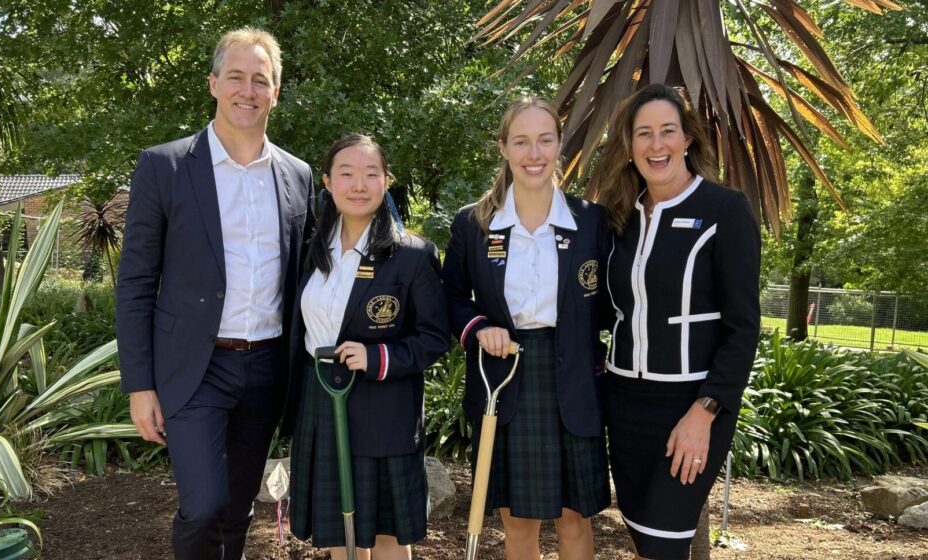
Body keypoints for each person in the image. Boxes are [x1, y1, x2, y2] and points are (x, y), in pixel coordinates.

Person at [116, 28, 314, 559]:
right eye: (235, 77)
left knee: (239, 506)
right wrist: (139, 386)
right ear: (213, 84)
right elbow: (135, 282)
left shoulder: (298, 175)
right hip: (193, 368)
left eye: (260, 80)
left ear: (276, 91)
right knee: (203, 504)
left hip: (267, 368)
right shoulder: (165, 167)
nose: (247, 90)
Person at [595, 83, 761, 560]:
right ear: (630, 146)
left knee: (666, 541)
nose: (656, 144)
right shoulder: (618, 218)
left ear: (688, 138)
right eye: (643, 133)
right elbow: (603, 308)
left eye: (667, 131)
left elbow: (743, 328)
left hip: (690, 405)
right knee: (644, 539)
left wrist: (704, 412)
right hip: (624, 402)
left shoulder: (725, 211)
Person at [442, 96, 612, 560]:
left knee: (575, 519)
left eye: (544, 140)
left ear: (559, 145)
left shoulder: (590, 220)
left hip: (575, 383)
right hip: (505, 380)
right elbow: (450, 299)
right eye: (521, 141)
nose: (533, 154)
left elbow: (616, 302)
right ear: (503, 148)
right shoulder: (474, 224)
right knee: (518, 522)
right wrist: (479, 328)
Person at [287, 134, 450, 560]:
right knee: (341, 536)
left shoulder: (413, 255)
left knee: (386, 537)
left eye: (370, 174)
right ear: (326, 181)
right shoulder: (310, 251)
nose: (358, 184)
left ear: (386, 181)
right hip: (322, 405)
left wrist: (379, 358)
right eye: (346, 174)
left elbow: (435, 337)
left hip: (385, 413)